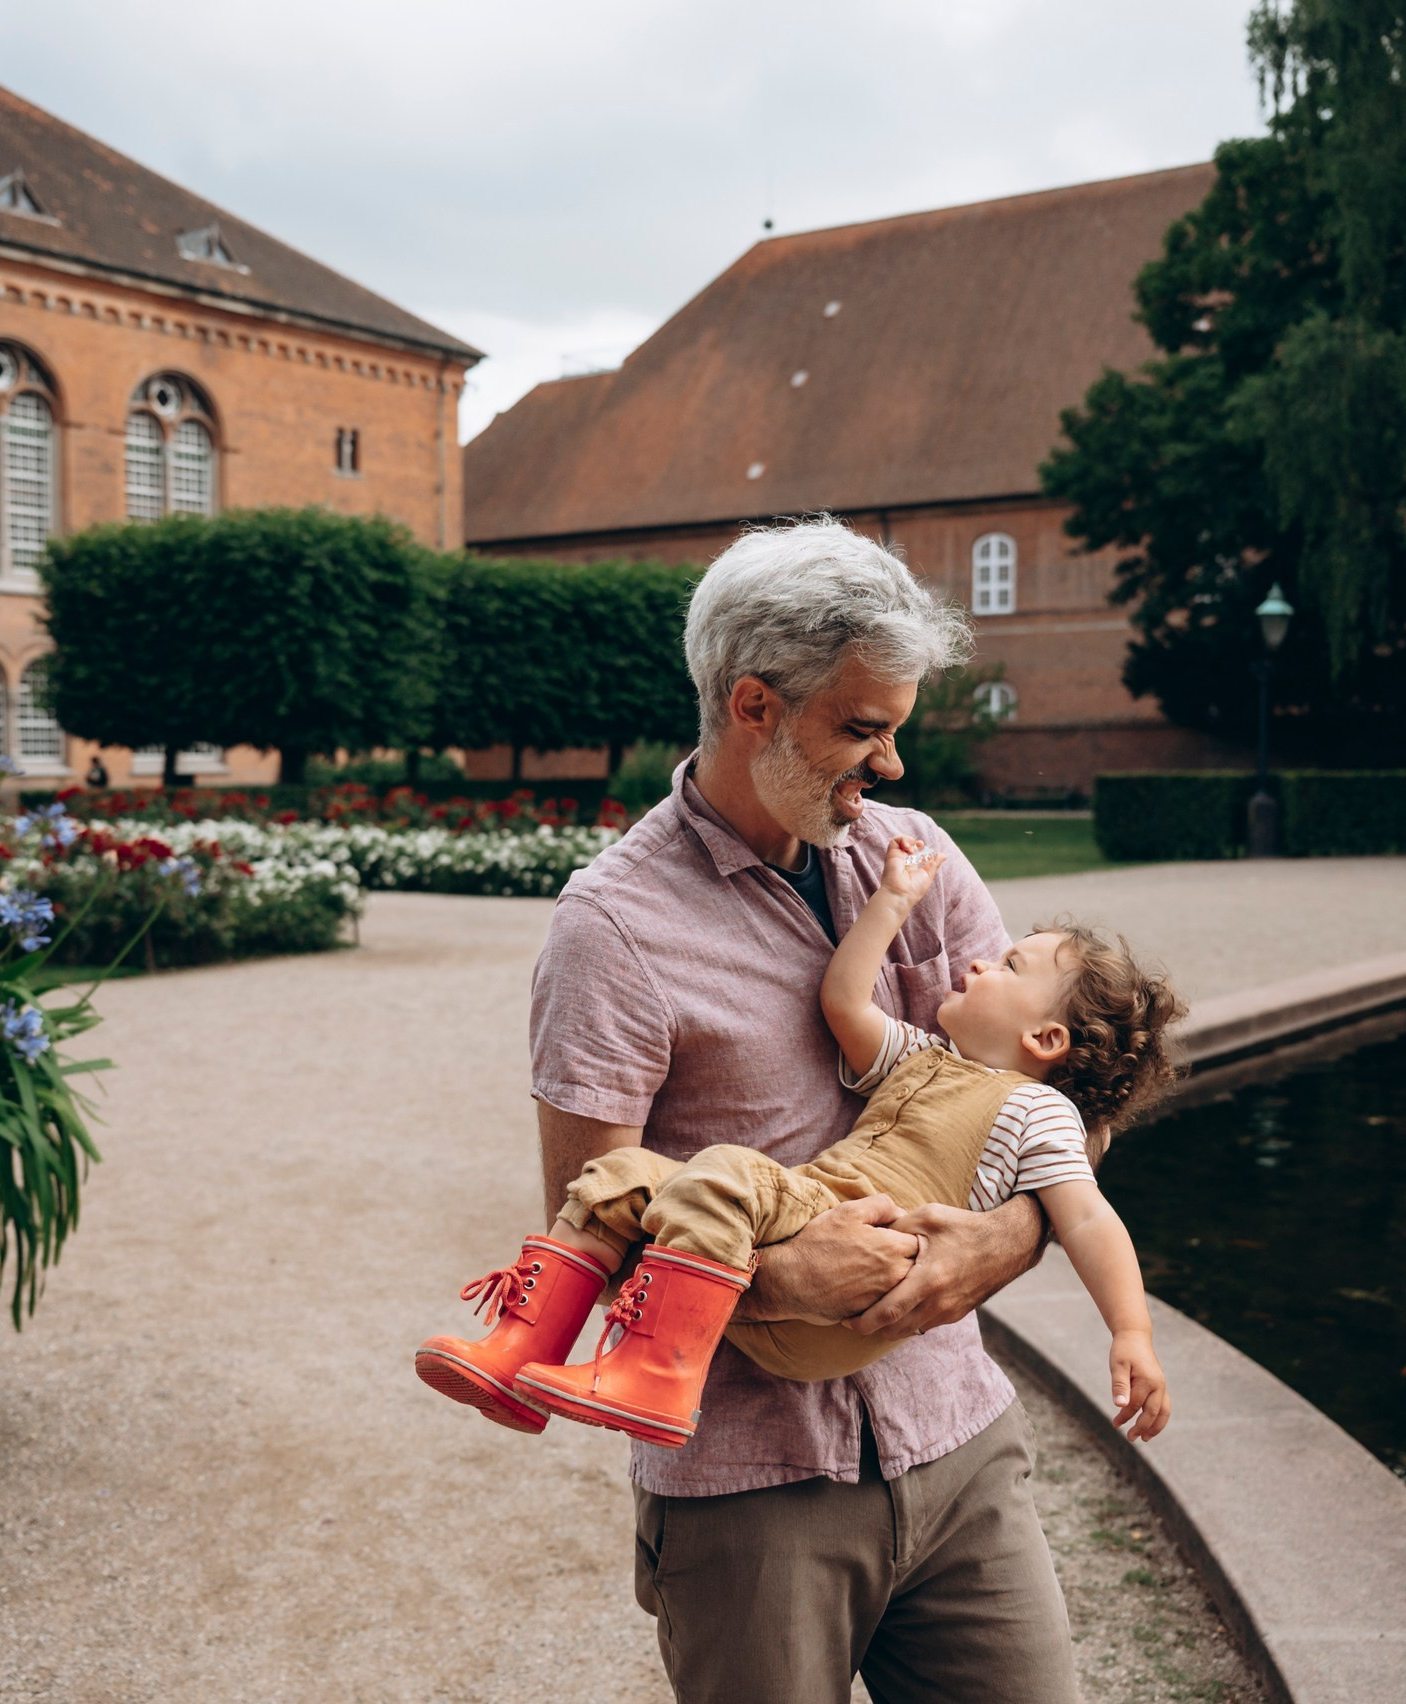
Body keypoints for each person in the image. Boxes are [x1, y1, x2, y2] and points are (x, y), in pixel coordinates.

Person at [472, 518, 1089, 1703]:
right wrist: (776, 1279)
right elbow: (582, 1210)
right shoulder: (610, 929)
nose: (892, 766)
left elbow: (1066, 1098)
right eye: (863, 729)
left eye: (896, 729)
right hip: (751, 1492)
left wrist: (1007, 1239)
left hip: (956, 1437)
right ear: (752, 704)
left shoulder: (916, 852)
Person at [420, 835, 1182, 1449]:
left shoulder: (1039, 1113)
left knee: (720, 1173)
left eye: (1009, 966)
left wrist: (1131, 1331)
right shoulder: (924, 1057)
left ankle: (657, 1373)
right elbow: (845, 1000)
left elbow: (1086, 1217)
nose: (981, 960)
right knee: (618, 1179)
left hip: (853, 1274)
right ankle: (525, 1352)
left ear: (1045, 1037)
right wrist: (890, 905)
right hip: (808, 1238)